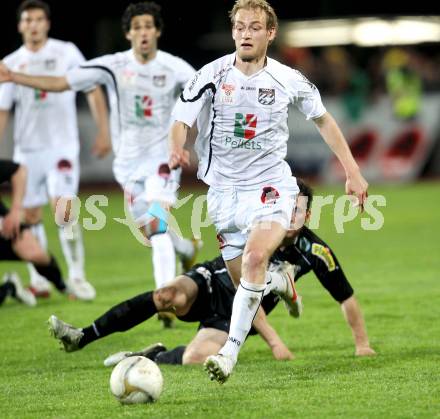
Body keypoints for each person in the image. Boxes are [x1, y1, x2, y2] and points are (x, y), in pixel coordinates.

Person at [168, 0, 369, 382]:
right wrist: (175, 148)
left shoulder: (288, 79)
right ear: (233, 32)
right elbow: (181, 119)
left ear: (270, 33)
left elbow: (324, 121)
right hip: (223, 193)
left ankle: (229, 354)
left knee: (255, 258)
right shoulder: (210, 74)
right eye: (240, 27)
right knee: (242, 279)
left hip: (271, 187)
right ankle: (282, 282)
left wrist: (352, 170)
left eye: (255, 27)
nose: (246, 33)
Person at [0, 2, 202, 326]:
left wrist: (190, 144)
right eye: (136, 27)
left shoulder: (176, 68)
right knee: (152, 230)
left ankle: (164, 301)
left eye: (148, 26)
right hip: (128, 166)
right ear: (128, 33)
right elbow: (63, 83)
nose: (143, 33)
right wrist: (15, 77)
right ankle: (186, 247)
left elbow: (203, 97)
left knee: (156, 225)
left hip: (164, 161)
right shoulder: (112, 66)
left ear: (158, 31)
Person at [47, 180, 375, 364]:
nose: (290, 215)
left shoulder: (314, 252)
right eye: (287, 207)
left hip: (238, 314)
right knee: (166, 295)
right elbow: (237, 275)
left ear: (308, 214)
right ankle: (83, 336)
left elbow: (346, 297)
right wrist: (275, 343)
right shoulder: (258, 229)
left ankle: (153, 356)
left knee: (194, 358)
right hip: (213, 282)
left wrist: (361, 343)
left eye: (298, 210)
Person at [0, 0, 111, 301]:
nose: (34, 25)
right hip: (28, 151)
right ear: (20, 25)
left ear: (47, 23)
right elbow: (3, 110)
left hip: (61, 146)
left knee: (64, 211)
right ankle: (39, 278)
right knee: (30, 215)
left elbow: (91, 87)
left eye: (39, 19)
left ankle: (77, 274)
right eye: (28, 20)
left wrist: (103, 130)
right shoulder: (10, 62)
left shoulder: (66, 52)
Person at [0, 159, 92, 305]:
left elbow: (18, 170)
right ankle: (9, 288)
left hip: (3, 226)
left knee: (36, 253)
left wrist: (15, 210)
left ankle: (64, 285)